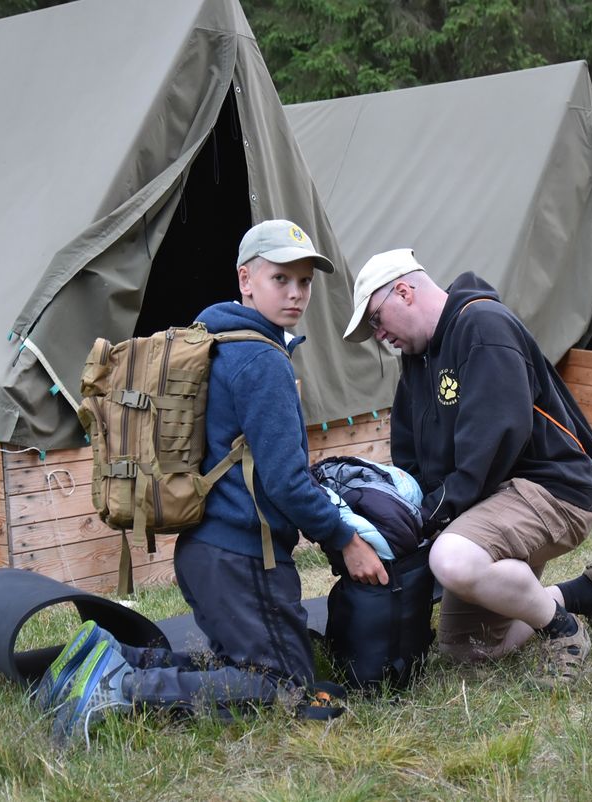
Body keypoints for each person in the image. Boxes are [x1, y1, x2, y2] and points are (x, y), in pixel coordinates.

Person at [43, 219, 388, 746]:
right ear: (246, 280)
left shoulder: (217, 340)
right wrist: (346, 539)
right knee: (280, 685)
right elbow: (288, 483)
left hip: (206, 552)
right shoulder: (262, 360)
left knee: (241, 663)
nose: (296, 294)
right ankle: (124, 686)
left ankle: (106, 656)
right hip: (243, 558)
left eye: (304, 282)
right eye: (281, 279)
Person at [342, 248, 592, 687]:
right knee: (470, 647)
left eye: (377, 321)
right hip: (494, 496)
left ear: (404, 291)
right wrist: (412, 506)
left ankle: (564, 634)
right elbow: (409, 449)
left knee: (454, 558)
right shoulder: (418, 359)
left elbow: (497, 435)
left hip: (552, 488)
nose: (379, 334)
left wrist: (438, 515)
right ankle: (589, 593)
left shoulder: (482, 325)